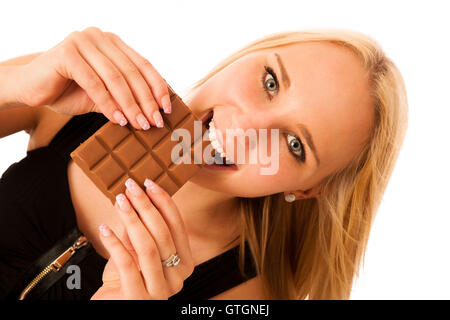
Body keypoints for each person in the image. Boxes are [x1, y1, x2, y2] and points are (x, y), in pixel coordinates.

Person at [0, 27, 408, 300]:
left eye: (295, 144)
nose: (246, 126)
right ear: (247, 55)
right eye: (270, 81)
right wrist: (20, 85)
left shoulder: (245, 296)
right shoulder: (90, 91)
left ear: (305, 189)